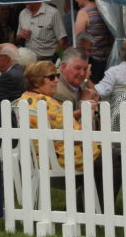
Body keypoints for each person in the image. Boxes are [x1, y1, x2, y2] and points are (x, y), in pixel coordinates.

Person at [19, 61, 114, 203]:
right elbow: (78, 136)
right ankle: (89, 206)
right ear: (37, 82)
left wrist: (80, 112)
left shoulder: (25, 99)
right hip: (64, 158)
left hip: (43, 157)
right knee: (116, 156)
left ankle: (86, 204)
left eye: (57, 75)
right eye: (51, 77)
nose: (57, 80)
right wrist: (88, 114)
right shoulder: (48, 103)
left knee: (108, 158)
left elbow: (57, 123)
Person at [52, 47, 98, 120]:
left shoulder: (78, 80)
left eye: (85, 69)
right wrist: (84, 101)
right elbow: (71, 125)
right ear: (63, 66)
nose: (82, 73)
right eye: (77, 68)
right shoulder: (56, 90)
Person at [73, 0, 113, 81]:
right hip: (108, 58)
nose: (75, 0)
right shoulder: (104, 9)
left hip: (92, 61)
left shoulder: (83, 12)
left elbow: (79, 40)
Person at [95, 37, 126, 102]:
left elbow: (99, 92)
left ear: (119, 53)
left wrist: (86, 80)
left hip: (118, 111)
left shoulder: (113, 72)